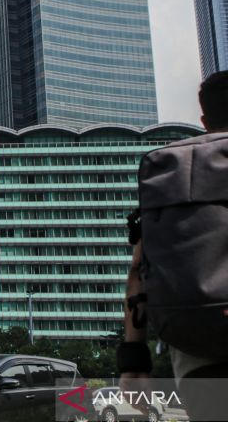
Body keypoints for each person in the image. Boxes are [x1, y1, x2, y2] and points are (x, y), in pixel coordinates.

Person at [120, 70, 228, 421]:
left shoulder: (170, 170)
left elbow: (138, 270)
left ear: (204, 121)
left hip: (198, 345)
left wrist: (133, 362)